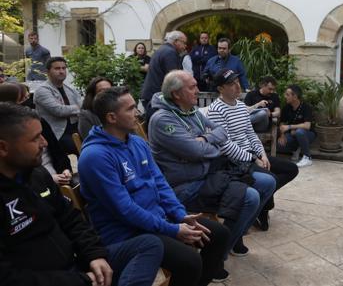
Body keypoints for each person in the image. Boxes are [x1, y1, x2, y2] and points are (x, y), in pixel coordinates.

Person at [78, 86, 230, 285]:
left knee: (218, 234)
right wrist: (172, 229)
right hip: (127, 233)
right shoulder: (96, 156)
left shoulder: (137, 142)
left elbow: (159, 183)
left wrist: (178, 214)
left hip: (155, 219)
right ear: (112, 118)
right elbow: (125, 210)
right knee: (190, 261)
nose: (138, 113)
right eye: (131, 109)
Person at [0, 102, 164, 286]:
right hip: (52, 280)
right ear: (3, 148)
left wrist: (95, 255)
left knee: (149, 245)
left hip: (77, 265)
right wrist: (79, 280)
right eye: (35, 138)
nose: (44, 143)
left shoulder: (36, 175)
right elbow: (7, 278)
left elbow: (71, 219)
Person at [149, 70, 275, 257]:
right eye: (192, 87)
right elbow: (198, 150)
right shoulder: (163, 119)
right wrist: (209, 145)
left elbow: (220, 133)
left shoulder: (191, 112)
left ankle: (230, 240)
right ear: (176, 94)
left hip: (209, 174)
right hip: (186, 187)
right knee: (250, 197)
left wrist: (204, 140)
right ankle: (216, 256)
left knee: (267, 182)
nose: (198, 90)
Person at [207, 69, 298, 231]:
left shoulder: (241, 106)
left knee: (291, 169)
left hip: (252, 154)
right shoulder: (216, 110)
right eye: (231, 84)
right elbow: (226, 145)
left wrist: (263, 154)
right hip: (235, 161)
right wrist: (253, 159)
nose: (237, 86)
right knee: (270, 178)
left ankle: (262, 205)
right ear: (220, 89)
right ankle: (261, 209)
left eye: (237, 81)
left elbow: (251, 134)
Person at [0, 83, 76, 186]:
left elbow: (58, 152)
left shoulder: (39, 122)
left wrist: (65, 170)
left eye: (28, 97)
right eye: (23, 100)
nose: (44, 143)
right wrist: (48, 179)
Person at [34, 57, 82, 155]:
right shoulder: (42, 90)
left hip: (76, 128)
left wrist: (79, 107)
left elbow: (82, 105)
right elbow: (59, 111)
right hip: (57, 133)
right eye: (57, 68)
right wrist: (78, 108)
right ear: (48, 71)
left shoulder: (70, 88)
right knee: (83, 148)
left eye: (63, 68)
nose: (61, 71)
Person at [140, 31, 187, 125]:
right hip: (157, 98)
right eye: (184, 43)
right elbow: (174, 79)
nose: (185, 46)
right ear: (176, 41)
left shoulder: (162, 49)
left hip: (151, 96)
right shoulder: (170, 52)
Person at [277, 85, 316, 168]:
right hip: (292, 134)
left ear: (295, 96)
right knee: (280, 144)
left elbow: (307, 126)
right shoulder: (286, 107)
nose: (285, 96)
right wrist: (282, 135)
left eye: (287, 95)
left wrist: (290, 127)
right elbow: (282, 123)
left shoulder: (306, 107)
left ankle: (307, 157)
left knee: (299, 132)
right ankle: (296, 149)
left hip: (308, 134)